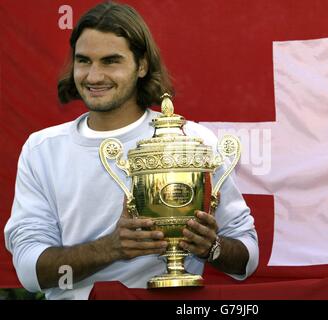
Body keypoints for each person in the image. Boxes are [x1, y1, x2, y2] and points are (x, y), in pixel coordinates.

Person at [4, 1, 258, 300]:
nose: (94, 76)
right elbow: (29, 270)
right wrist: (111, 248)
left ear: (142, 65)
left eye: (111, 61)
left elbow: (247, 258)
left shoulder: (193, 140)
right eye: (84, 61)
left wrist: (211, 247)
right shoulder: (42, 149)